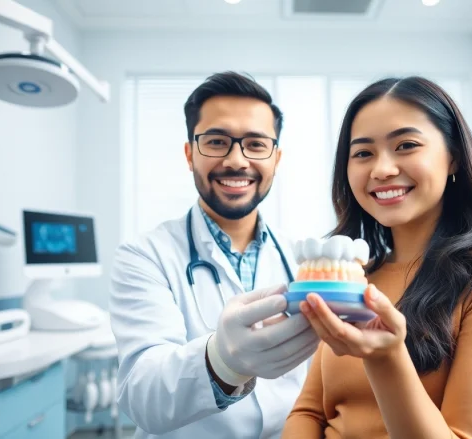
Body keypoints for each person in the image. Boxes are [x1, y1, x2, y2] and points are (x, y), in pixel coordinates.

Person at [282, 76, 472, 438]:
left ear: (452, 157)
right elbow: (308, 413)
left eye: (405, 145)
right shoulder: (355, 275)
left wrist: (385, 358)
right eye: (362, 153)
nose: (381, 169)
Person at [109, 71, 319, 439]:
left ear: (276, 158)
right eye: (217, 141)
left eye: (256, 144)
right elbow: (141, 395)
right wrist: (222, 362)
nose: (237, 161)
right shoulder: (144, 256)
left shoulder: (302, 258)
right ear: (190, 154)